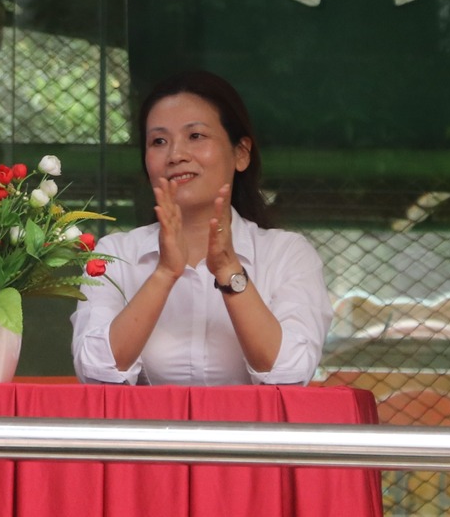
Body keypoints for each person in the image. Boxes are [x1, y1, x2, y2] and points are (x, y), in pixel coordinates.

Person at [70, 70, 332, 385]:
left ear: (241, 153)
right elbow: (95, 371)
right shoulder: (115, 255)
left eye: (195, 136)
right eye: (159, 141)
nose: (175, 155)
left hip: (252, 421)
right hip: (149, 421)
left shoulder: (286, 254)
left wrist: (230, 271)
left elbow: (290, 373)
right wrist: (164, 274)